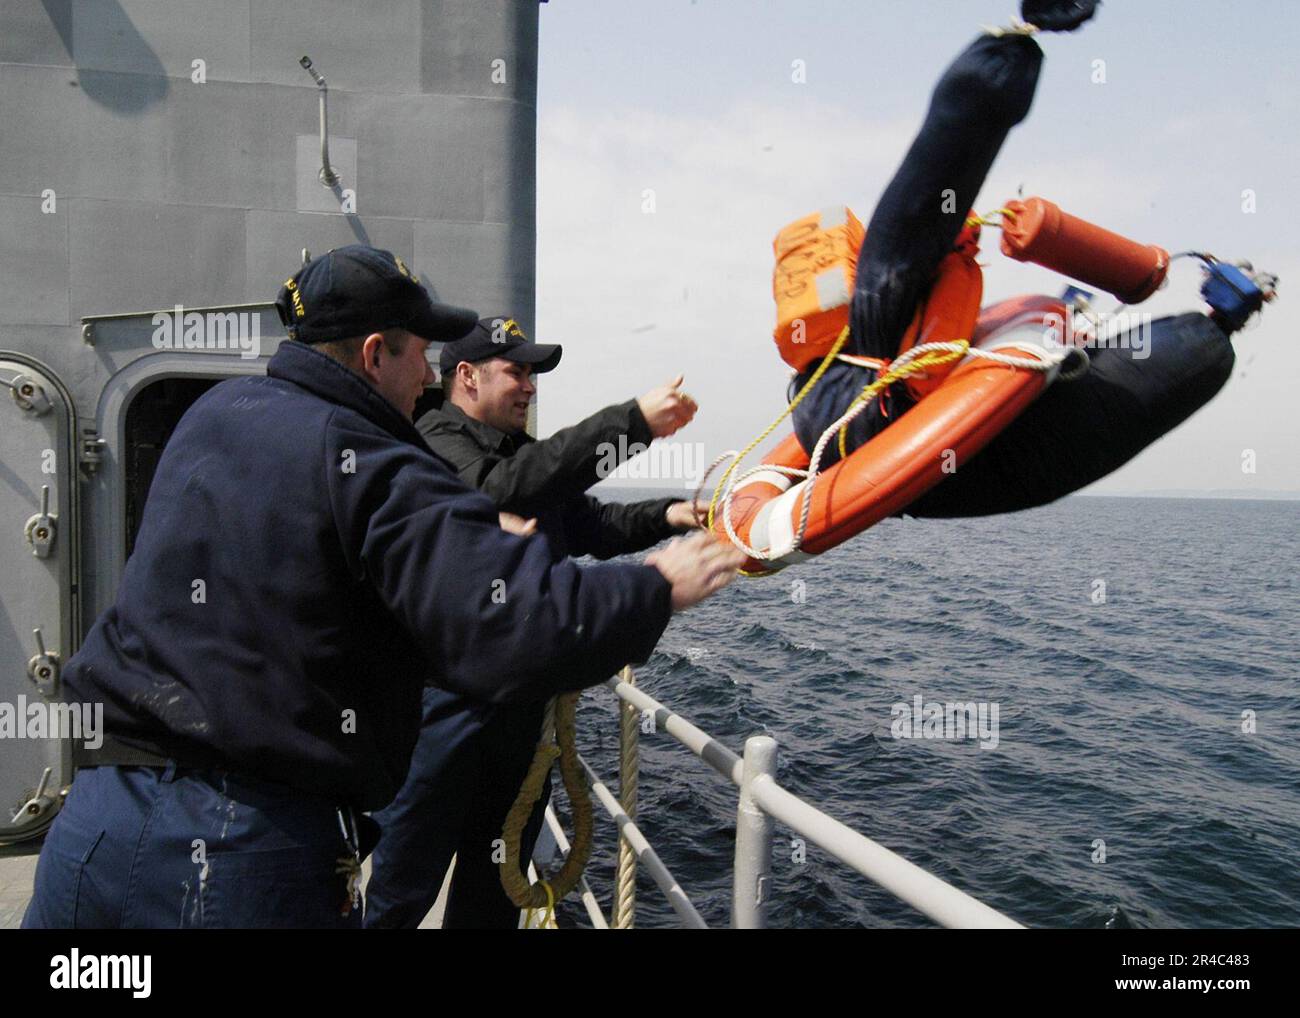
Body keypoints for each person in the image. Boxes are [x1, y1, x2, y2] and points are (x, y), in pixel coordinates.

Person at [22, 245, 743, 929]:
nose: (426, 377)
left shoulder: (210, 416)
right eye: (417, 354)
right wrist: (655, 587)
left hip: (98, 818)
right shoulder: (371, 458)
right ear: (374, 354)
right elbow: (508, 625)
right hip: (244, 846)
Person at [365, 315, 703, 928]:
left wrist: (672, 513)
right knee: (401, 883)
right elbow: (494, 493)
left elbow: (592, 526)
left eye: (533, 375)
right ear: (466, 376)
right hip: (442, 712)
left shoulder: (522, 457)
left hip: (520, 712)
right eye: (516, 372)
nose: (530, 388)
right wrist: (630, 424)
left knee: (496, 882)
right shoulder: (432, 441)